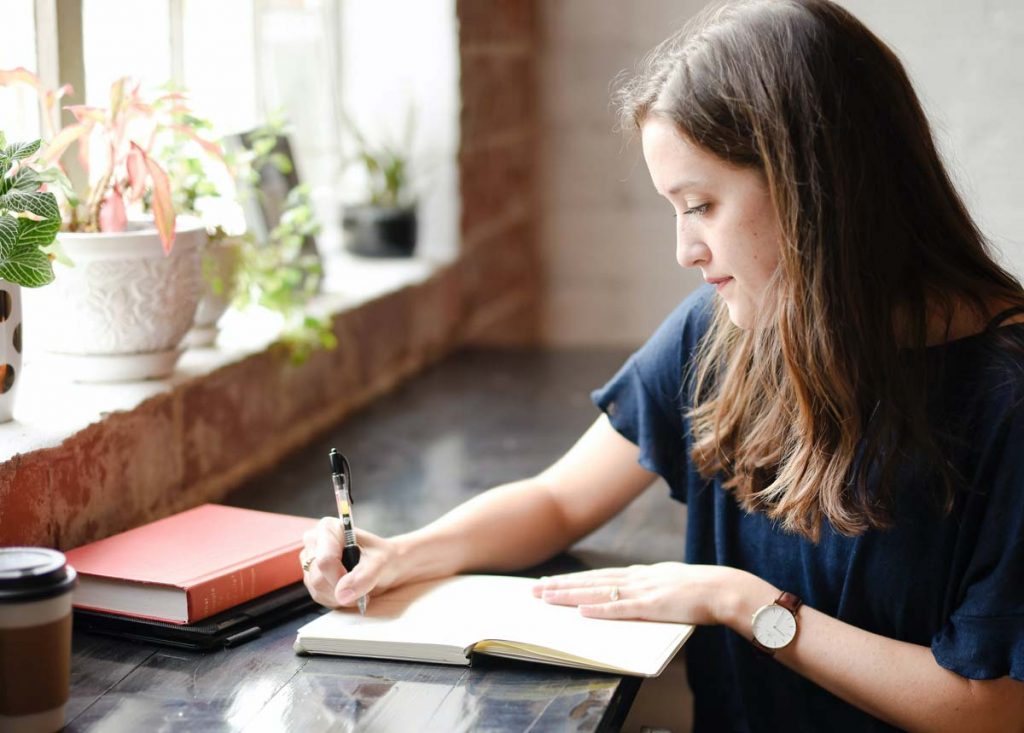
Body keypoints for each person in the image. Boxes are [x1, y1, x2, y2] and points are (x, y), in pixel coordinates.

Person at [301, 1, 1024, 730]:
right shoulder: (726, 332)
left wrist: (745, 604)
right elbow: (558, 500)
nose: (685, 250)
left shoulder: (1008, 399)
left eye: (702, 205)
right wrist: (404, 554)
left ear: (817, 186)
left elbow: (991, 708)